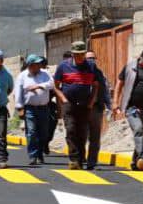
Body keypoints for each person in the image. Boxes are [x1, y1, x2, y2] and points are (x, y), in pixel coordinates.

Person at [54, 41, 99, 170]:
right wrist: (63, 99)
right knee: (71, 130)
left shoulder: (91, 66)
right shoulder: (63, 66)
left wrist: (91, 101)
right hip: (69, 104)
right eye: (77, 54)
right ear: (73, 54)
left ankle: (80, 159)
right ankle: (74, 159)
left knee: (83, 132)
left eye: (82, 54)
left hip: (85, 104)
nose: (80, 57)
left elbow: (96, 85)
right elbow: (56, 86)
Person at [15, 55, 54, 165]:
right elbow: (18, 92)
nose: (39, 66)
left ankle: (40, 153)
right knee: (31, 132)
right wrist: (20, 107)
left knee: (44, 133)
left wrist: (39, 86)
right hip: (30, 108)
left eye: (39, 64)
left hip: (44, 108)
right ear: (30, 65)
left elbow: (51, 84)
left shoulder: (45, 73)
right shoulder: (22, 76)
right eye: (36, 64)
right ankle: (32, 155)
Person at [85, 50, 112, 170]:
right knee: (81, 135)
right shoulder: (80, 72)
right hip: (82, 109)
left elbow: (105, 90)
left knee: (95, 137)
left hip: (96, 108)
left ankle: (92, 162)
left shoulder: (100, 74)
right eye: (88, 58)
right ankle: (79, 159)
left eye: (93, 58)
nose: (91, 60)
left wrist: (110, 106)